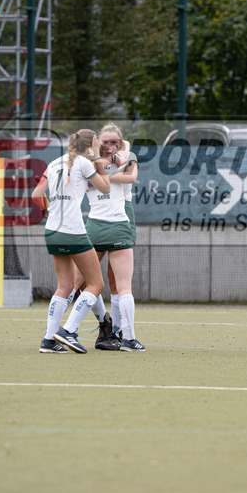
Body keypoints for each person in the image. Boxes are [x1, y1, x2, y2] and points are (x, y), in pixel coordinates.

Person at [31, 128, 110, 353]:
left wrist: (47, 209)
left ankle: (48, 340)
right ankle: (68, 331)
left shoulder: (54, 163)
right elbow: (105, 187)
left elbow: (36, 195)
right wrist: (97, 159)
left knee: (64, 286)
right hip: (73, 231)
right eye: (96, 143)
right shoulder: (85, 162)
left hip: (52, 231)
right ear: (89, 145)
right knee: (96, 284)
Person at [80, 122, 144, 352]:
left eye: (113, 142)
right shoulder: (92, 161)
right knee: (84, 281)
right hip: (100, 219)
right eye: (104, 141)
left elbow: (130, 174)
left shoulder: (124, 154)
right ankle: (104, 323)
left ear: (120, 142)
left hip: (121, 215)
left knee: (115, 280)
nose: (108, 145)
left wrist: (106, 172)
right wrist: (109, 169)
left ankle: (117, 331)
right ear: (97, 141)